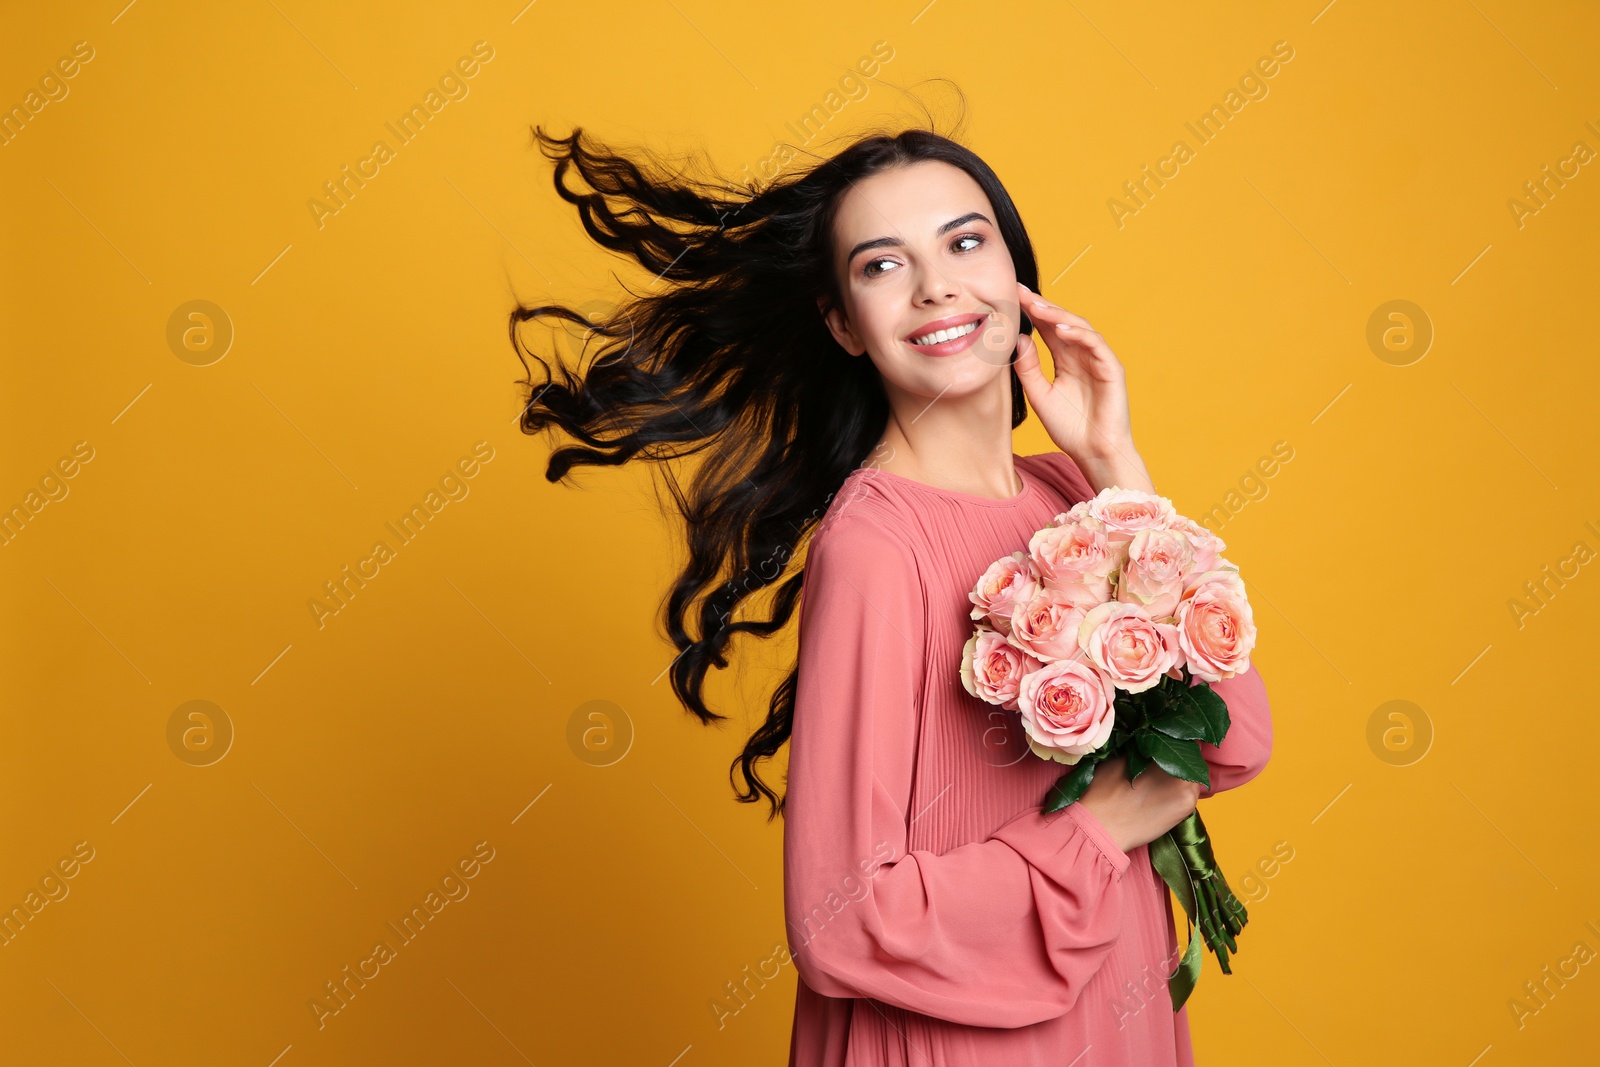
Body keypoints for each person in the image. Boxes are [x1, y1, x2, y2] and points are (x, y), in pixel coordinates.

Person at [513, 101, 1273, 1066]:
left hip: (1117, 1008)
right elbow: (838, 919)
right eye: (882, 265)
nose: (935, 286)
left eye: (965, 243)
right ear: (842, 323)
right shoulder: (877, 545)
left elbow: (1233, 739)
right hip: (966, 1040)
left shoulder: (1074, 494)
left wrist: (1117, 467)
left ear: (1017, 274)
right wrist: (1098, 830)